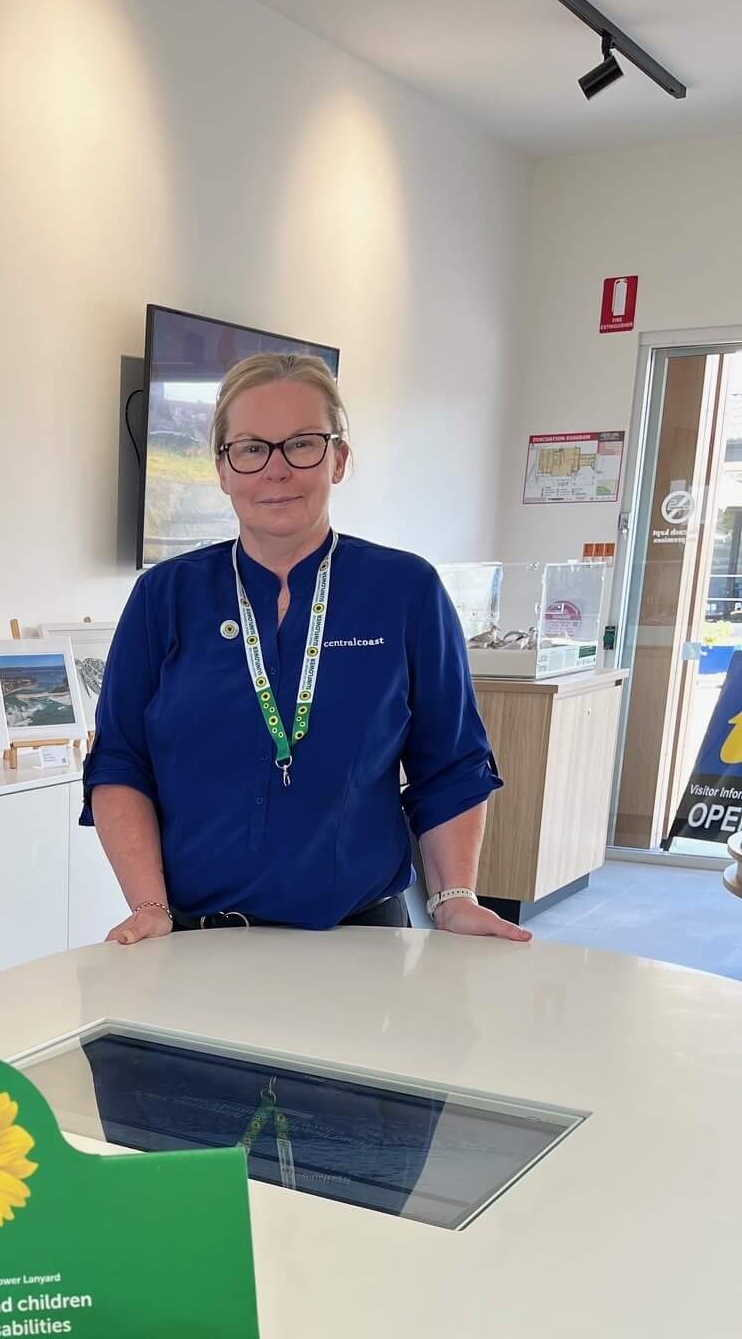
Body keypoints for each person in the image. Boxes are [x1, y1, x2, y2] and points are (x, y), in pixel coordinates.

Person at [84, 353, 530, 946]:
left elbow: (449, 763)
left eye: (302, 444)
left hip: (359, 944)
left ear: (339, 459)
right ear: (222, 468)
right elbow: (120, 763)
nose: (276, 470)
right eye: (250, 448)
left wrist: (452, 899)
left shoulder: (404, 591)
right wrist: (147, 906)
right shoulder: (164, 597)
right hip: (194, 943)